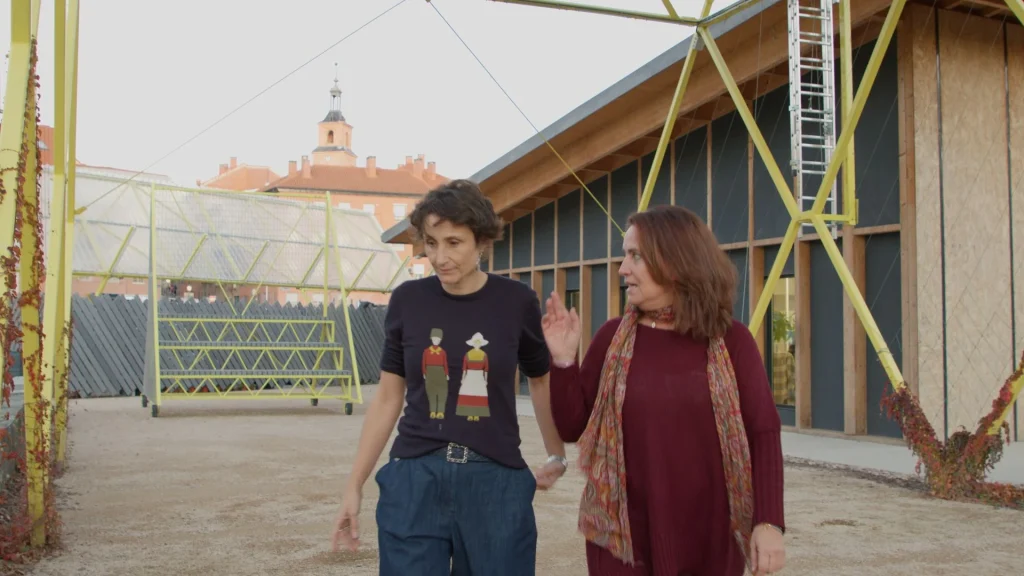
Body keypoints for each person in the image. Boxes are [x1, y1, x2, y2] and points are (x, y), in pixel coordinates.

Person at [331, 179, 569, 575]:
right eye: (431, 243)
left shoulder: (516, 302)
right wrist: (354, 484)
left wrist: (556, 454)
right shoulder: (408, 301)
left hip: (496, 481)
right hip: (414, 479)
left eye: (454, 243)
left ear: (481, 242)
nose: (440, 257)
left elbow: (540, 380)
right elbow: (388, 397)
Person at [541, 205, 786, 576]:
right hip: (622, 539)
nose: (623, 269)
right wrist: (562, 361)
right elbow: (572, 426)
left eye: (635, 256)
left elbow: (763, 432)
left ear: (675, 262)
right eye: (625, 255)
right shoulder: (611, 338)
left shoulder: (732, 341)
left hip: (709, 537)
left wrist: (768, 523)